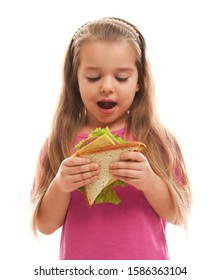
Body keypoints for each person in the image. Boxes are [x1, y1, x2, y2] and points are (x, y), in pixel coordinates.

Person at [31, 17, 192, 260]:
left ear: (140, 82)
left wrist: (149, 181)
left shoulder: (158, 141)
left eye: (122, 78)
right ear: (75, 81)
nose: (107, 87)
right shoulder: (59, 142)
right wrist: (61, 185)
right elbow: (45, 225)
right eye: (93, 77)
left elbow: (178, 214)